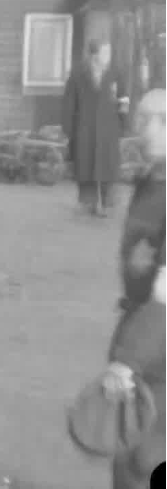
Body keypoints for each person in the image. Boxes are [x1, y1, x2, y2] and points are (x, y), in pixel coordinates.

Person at [101, 87, 166, 489]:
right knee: (128, 459)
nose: (146, 129)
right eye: (141, 119)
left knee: (141, 462)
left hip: (156, 355)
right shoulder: (150, 183)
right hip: (141, 338)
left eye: (160, 120)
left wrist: (129, 359)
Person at [61, 40, 128, 217]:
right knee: (85, 163)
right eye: (105, 52)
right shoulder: (78, 73)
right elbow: (69, 101)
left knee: (108, 165)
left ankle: (107, 203)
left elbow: (124, 98)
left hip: (108, 126)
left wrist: (123, 121)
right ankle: (87, 201)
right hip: (85, 126)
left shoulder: (115, 73)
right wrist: (68, 127)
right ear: (95, 54)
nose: (109, 56)